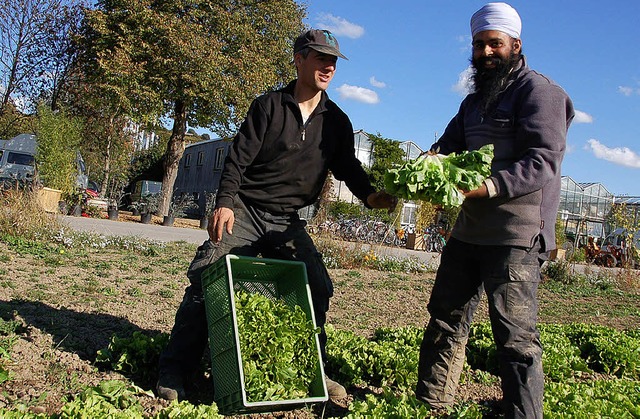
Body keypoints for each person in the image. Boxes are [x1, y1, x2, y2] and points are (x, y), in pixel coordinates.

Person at [156, 29, 398, 402]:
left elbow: (348, 166)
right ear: (299, 59)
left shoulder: (337, 121)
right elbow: (238, 158)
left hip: (287, 221)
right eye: (320, 57)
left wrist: (369, 196)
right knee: (209, 276)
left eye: (332, 60)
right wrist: (224, 202)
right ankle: (174, 369)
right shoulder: (268, 107)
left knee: (316, 285)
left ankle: (311, 369)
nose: (328, 66)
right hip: (247, 210)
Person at [414, 3, 574, 418]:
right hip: (468, 232)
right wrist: (424, 167)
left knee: (515, 337)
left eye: (494, 43)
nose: (485, 52)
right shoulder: (473, 103)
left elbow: (544, 160)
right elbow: (444, 150)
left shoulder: (541, 93)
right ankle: (431, 404)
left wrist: (488, 186)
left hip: (516, 236)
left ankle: (524, 414)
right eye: (479, 44)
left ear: (515, 45)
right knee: (445, 318)